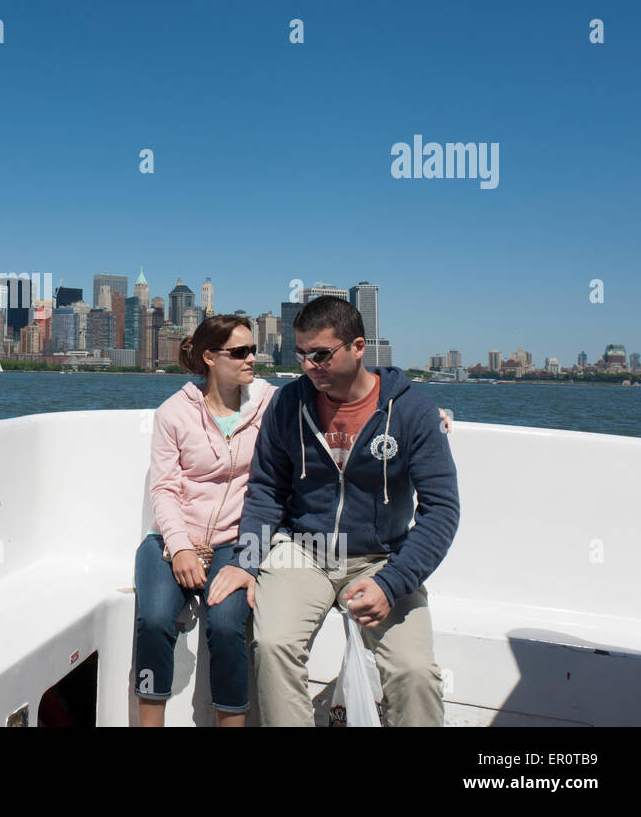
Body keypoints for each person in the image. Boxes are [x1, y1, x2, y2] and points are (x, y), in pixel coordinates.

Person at [208, 296, 460, 726]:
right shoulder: (288, 405)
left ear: (358, 346)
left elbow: (441, 511)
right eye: (302, 354)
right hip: (303, 551)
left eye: (321, 354)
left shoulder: (413, 412)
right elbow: (267, 490)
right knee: (273, 646)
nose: (309, 366)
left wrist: (392, 583)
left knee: (414, 672)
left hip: (382, 558)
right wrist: (248, 562)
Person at [134, 314, 275, 727]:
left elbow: (334, 394)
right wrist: (178, 547)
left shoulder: (270, 403)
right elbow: (163, 489)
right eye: (241, 352)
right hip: (172, 538)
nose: (252, 359)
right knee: (154, 618)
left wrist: (424, 415)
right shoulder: (173, 413)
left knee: (229, 624)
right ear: (210, 357)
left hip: (236, 541)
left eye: (254, 350)